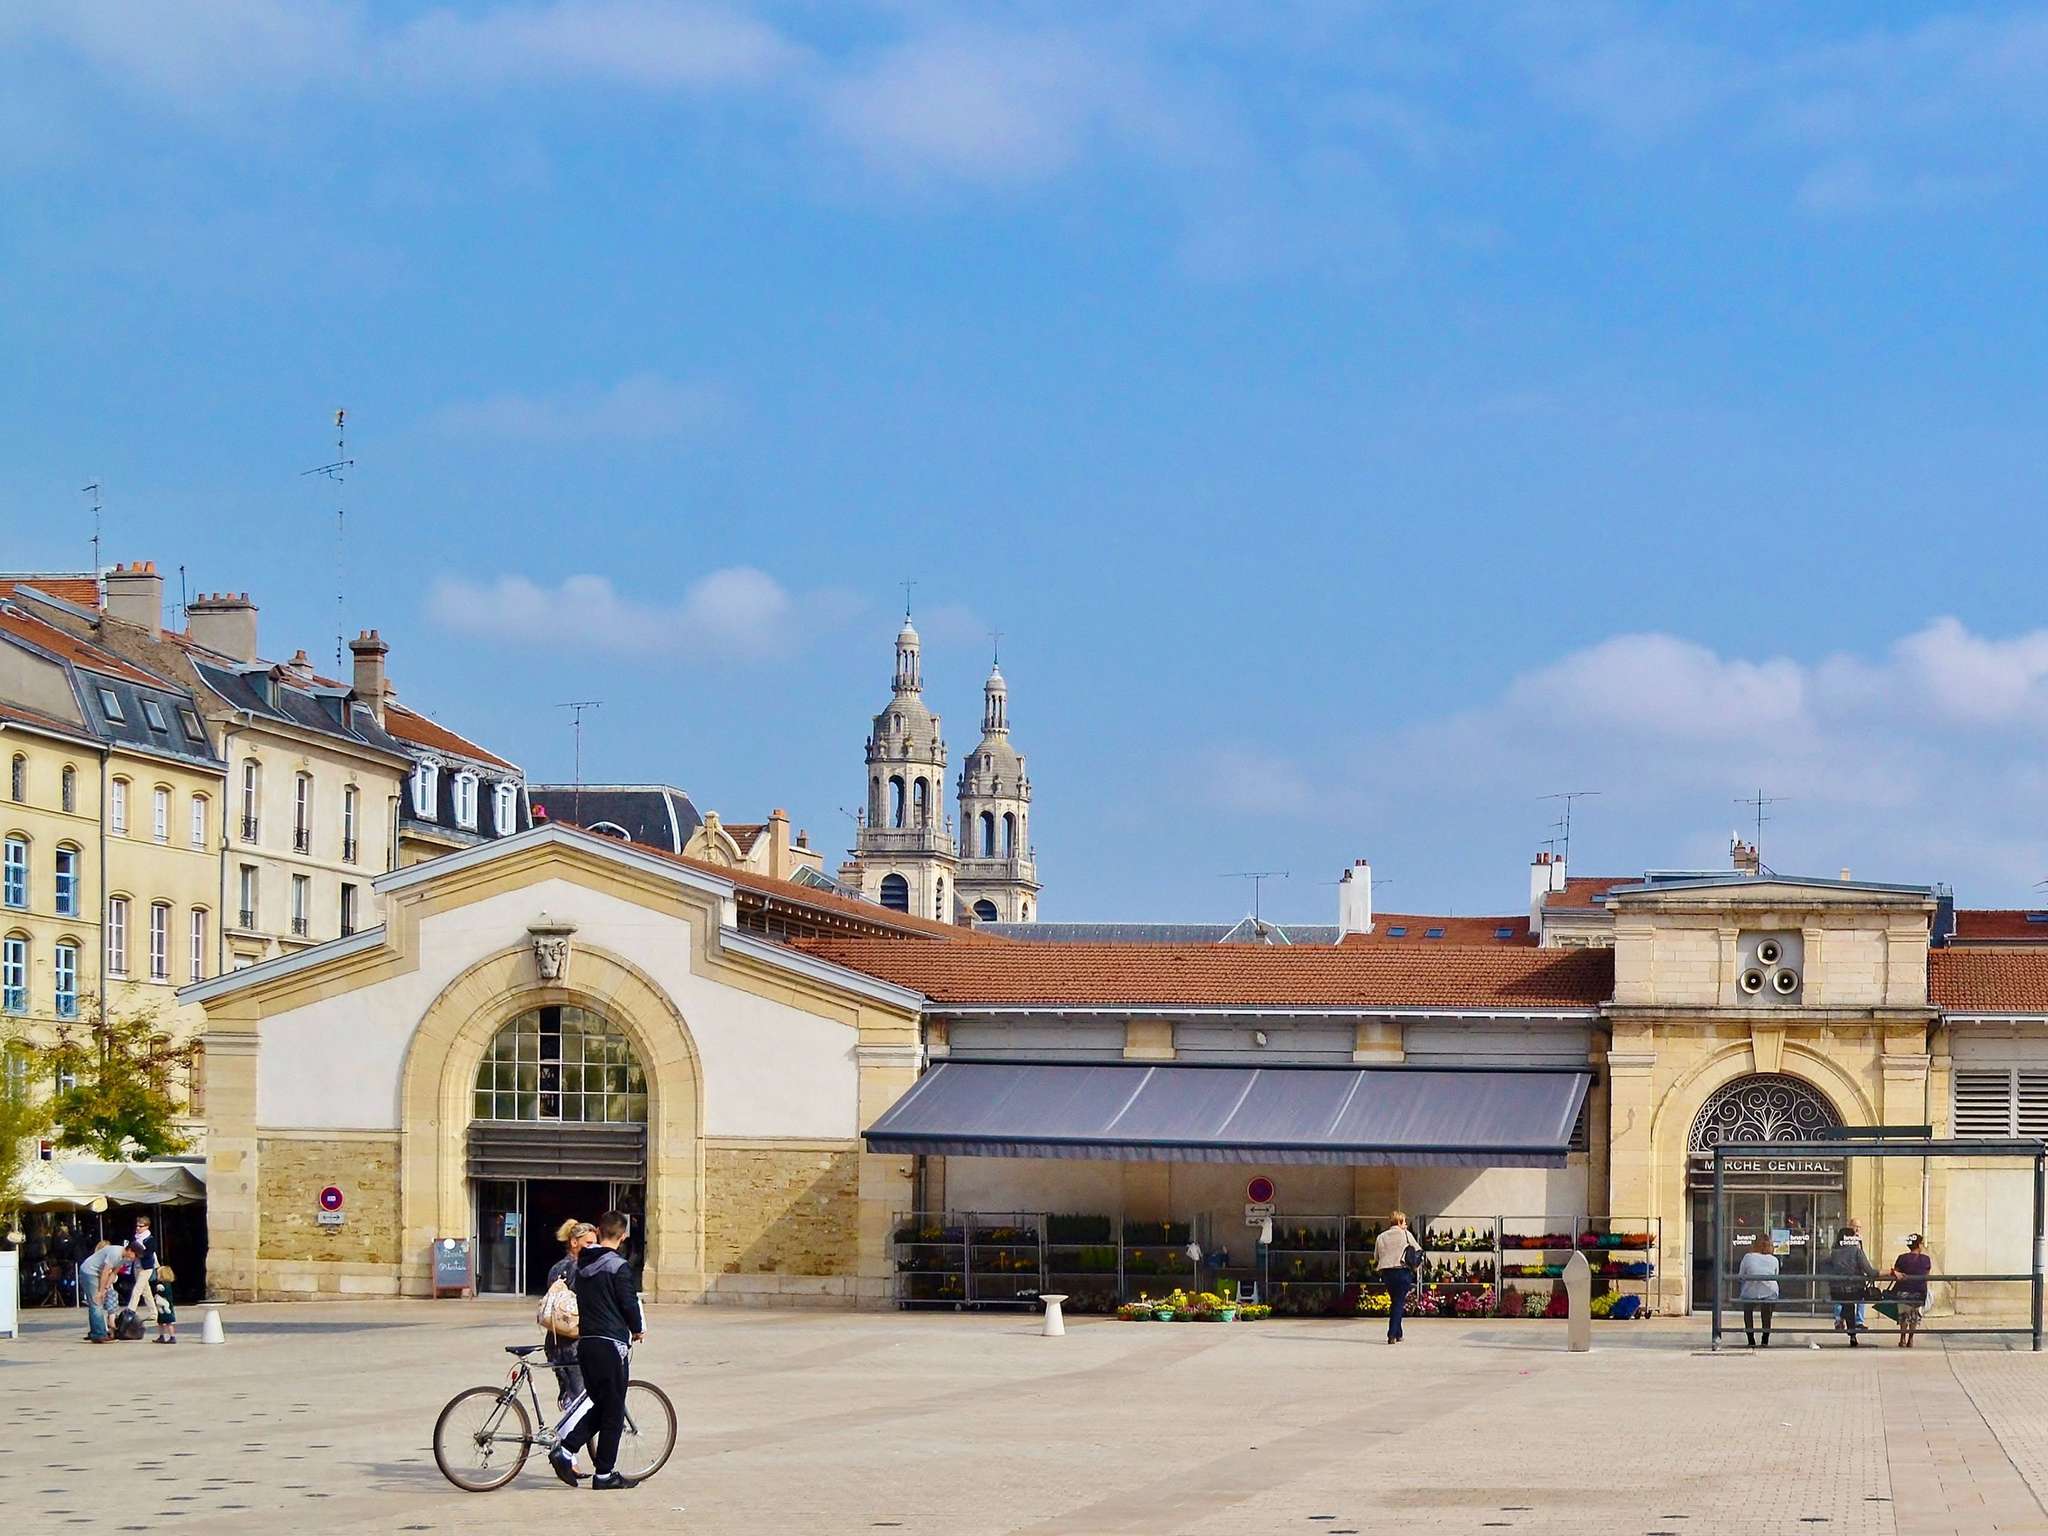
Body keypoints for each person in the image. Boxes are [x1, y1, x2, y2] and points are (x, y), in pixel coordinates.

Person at [550, 1210, 646, 1491]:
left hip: (587, 1343)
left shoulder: (583, 1265)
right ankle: (604, 1474)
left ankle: (565, 1450)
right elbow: (628, 1303)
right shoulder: (619, 1266)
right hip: (610, 1345)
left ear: (600, 1232)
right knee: (614, 1410)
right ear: (624, 1235)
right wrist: (637, 1328)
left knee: (603, 1404)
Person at [543, 1219, 596, 1407]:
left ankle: (569, 1432)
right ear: (574, 1242)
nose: (593, 1247)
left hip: (554, 1342)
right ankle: (570, 1436)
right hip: (574, 1345)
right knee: (579, 1402)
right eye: (589, 1243)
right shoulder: (581, 1268)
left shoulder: (556, 1267)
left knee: (570, 1397)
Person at [1822, 1220, 1878, 1345]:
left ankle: (1847, 1327)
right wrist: (1888, 1272)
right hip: (1854, 1290)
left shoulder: (1834, 1253)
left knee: (1847, 1307)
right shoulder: (1856, 1251)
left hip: (1836, 1291)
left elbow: (1825, 1266)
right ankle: (1852, 1334)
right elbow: (1870, 1271)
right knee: (1850, 1305)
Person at [1372, 1211, 1419, 1345]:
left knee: (1395, 1301)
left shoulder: (1381, 1236)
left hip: (1387, 1273)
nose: (1405, 1225)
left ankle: (1399, 1333)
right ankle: (1392, 1334)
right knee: (1398, 1302)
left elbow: (1376, 1256)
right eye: (1404, 1222)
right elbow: (1417, 1250)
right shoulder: (1406, 1234)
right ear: (1399, 1222)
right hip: (1402, 1271)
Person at [79, 1241, 140, 1343]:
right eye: (135, 1255)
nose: (135, 1258)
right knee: (96, 1302)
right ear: (129, 1250)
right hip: (89, 1271)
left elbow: (113, 1273)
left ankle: (95, 1332)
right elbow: (105, 1272)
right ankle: (99, 1334)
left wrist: (106, 1288)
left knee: (96, 1303)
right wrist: (101, 1292)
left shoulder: (124, 1258)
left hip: (97, 1272)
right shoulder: (115, 1253)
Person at [1889, 1234, 1933, 1349]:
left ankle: (1902, 1338)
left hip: (1903, 1290)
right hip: (1919, 1291)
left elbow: (1896, 1271)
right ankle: (1911, 1339)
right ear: (1918, 1244)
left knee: (1903, 1315)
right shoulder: (1926, 1259)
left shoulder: (1902, 1257)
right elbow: (1926, 1275)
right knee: (1914, 1315)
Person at [1737, 1232, 1780, 1348]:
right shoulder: (1774, 1260)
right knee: (1766, 1313)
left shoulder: (1748, 1257)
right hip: (1769, 1291)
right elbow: (1776, 1276)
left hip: (1750, 1291)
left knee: (1748, 1311)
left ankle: (1751, 1339)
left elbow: (1741, 1276)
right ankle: (1765, 1339)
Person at [126, 1214, 159, 1312]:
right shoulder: (134, 1238)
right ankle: (154, 1313)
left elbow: (149, 1253)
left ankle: (130, 1311)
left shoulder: (150, 1239)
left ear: (147, 1227)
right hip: (136, 1265)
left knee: (137, 1290)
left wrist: (139, 1252)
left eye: (141, 1226)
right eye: (137, 1226)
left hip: (146, 1267)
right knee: (146, 1291)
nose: (138, 1228)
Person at [151, 1262, 178, 1344]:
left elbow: (163, 1294)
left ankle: (172, 1337)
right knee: (161, 1323)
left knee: (168, 1323)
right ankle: (161, 1336)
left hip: (166, 1308)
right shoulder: (166, 1285)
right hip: (162, 1308)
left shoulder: (164, 1285)